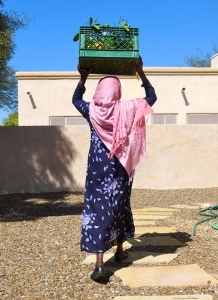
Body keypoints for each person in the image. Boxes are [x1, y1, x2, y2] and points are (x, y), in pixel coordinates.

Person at [72, 56, 157, 282]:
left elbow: (75, 99)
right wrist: (140, 72)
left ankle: (100, 264)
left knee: (99, 211)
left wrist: (83, 77)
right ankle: (119, 251)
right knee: (119, 206)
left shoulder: (91, 110)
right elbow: (151, 97)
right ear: (117, 92)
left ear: (99, 91)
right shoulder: (127, 109)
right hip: (119, 167)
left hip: (97, 170)